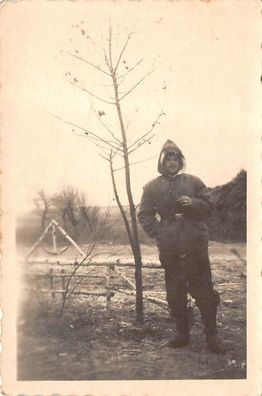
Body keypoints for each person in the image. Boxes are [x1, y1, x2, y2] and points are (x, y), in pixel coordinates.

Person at [137, 139, 226, 355]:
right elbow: (144, 214)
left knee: (203, 292)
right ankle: (182, 335)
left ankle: (211, 337)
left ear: (181, 161)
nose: (172, 162)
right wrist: (160, 232)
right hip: (170, 249)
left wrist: (193, 204)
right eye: (168, 159)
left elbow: (210, 208)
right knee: (175, 294)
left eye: (176, 158)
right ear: (161, 162)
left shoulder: (194, 182)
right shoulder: (151, 187)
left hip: (195, 246)